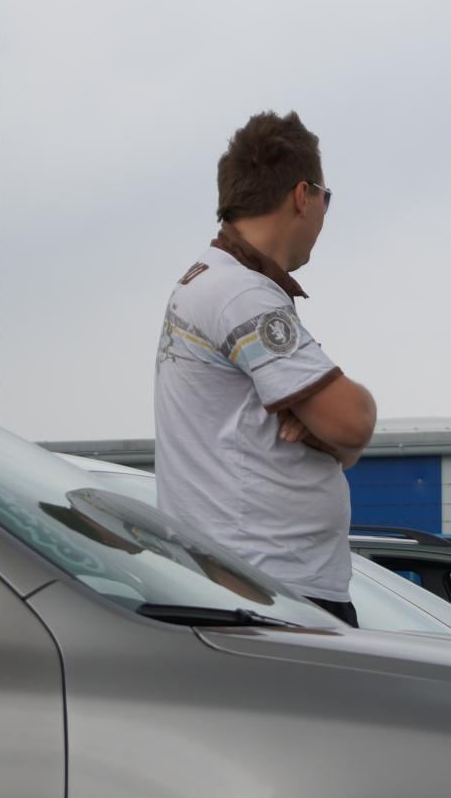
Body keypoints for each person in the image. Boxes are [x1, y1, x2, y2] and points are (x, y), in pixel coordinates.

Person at [154, 110, 376, 626]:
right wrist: (335, 429)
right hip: (273, 595)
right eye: (326, 198)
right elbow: (354, 422)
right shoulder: (241, 294)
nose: (324, 214)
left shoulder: (212, 281)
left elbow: (340, 437)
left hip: (248, 584)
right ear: (303, 196)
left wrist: (325, 430)